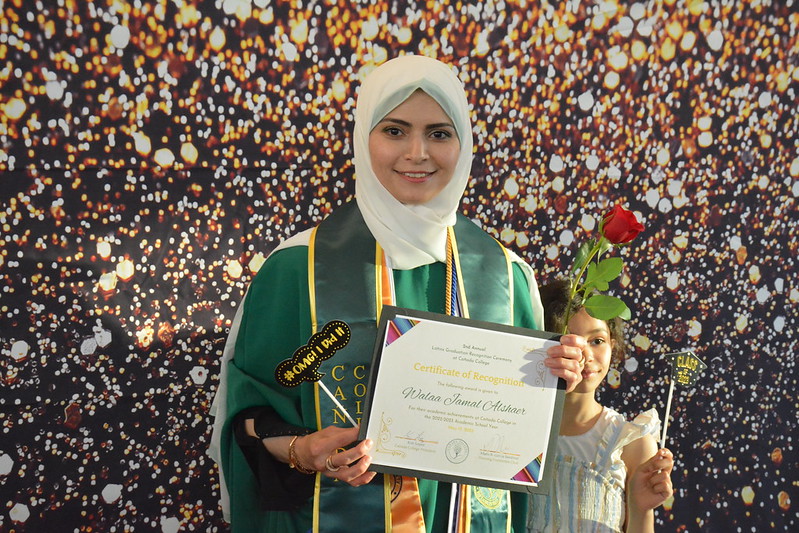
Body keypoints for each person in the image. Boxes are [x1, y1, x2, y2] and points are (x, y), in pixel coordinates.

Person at [208, 55, 587, 533]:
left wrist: (554, 379)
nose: (416, 153)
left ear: (464, 143)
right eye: (394, 130)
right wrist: (305, 452)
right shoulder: (296, 269)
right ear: (363, 134)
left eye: (439, 133)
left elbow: (520, 440)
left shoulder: (507, 276)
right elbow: (250, 416)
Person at [527, 279, 675, 533]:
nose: (586, 356)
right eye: (570, 341)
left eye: (597, 341)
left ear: (612, 346)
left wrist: (641, 509)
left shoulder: (630, 443)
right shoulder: (516, 428)